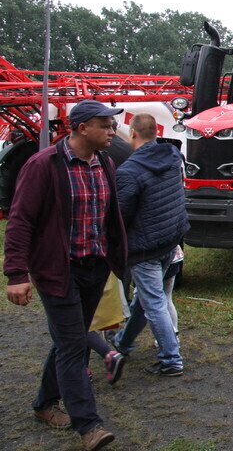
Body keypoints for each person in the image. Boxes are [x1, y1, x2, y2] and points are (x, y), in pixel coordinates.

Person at [4, 99, 126, 451]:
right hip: (58, 271)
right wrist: (16, 274)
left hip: (95, 266)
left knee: (68, 340)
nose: (112, 131)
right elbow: (21, 220)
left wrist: (117, 259)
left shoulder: (105, 163)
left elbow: (110, 217)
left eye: (111, 125)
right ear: (81, 127)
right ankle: (89, 426)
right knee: (74, 346)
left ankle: (44, 404)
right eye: (105, 125)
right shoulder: (44, 165)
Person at [112, 114, 189, 377]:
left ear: (132, 133)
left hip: (145, 247)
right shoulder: (172, 157)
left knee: (154, 301)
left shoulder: (129, 171)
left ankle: (171, 359)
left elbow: (120, 216)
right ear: (156, 131)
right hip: (170, 240)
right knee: (145, 301)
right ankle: (123, 342)